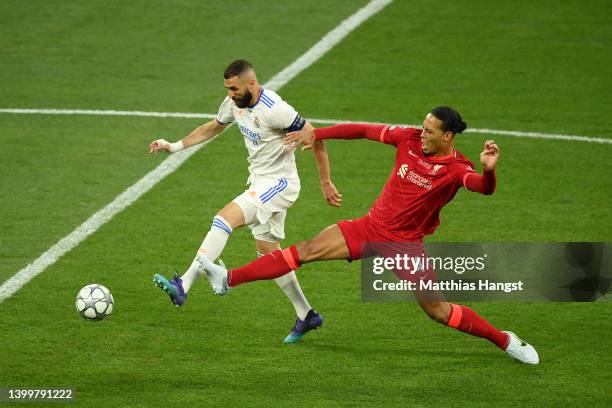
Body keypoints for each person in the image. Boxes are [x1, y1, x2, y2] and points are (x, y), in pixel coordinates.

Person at [198, 106, 539, 364]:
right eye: (422, 127)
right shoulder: (407, 138)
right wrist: (319, 135)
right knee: (302, 252)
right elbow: (362, 130)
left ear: (447, 136)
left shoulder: (456, 170)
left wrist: (489, 171)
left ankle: (505, 341)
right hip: (369, 227)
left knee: (438, 311)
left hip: (405, 246)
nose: (421, 133)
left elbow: (482, 188)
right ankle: (228, 278)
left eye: (429, 131)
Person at [149, 59, 342, 344]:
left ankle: (184, 284)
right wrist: (174, 146)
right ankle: (307, 314)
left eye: (234, 89)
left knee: (224, 218)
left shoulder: (276, 110)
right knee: (269, 253)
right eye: (227, 89)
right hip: (259, 182)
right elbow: (213, 127)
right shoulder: (235, 104)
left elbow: (316, 138)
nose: (230, 95)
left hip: (280, 184)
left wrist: (325, 182)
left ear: (252, 83)